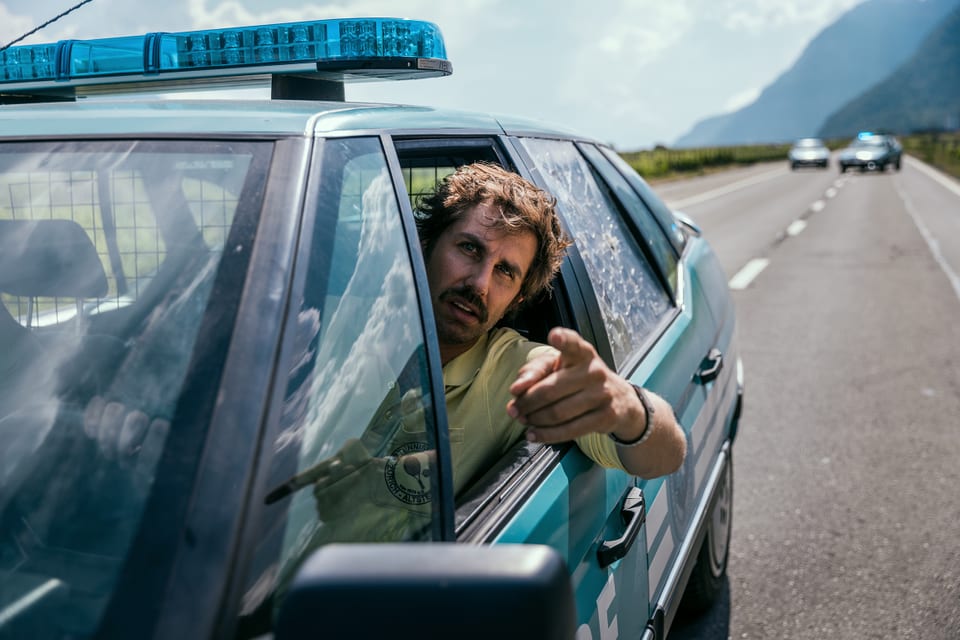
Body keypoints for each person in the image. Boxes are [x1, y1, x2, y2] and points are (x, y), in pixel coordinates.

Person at [416, 162, 686, 482]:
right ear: (425, 246)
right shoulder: (356, 329)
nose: (480, 284)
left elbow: (667, 457)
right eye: (470, 247)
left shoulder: (527, 372)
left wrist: (625, 403)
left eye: (505, 271)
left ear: (517, 298)